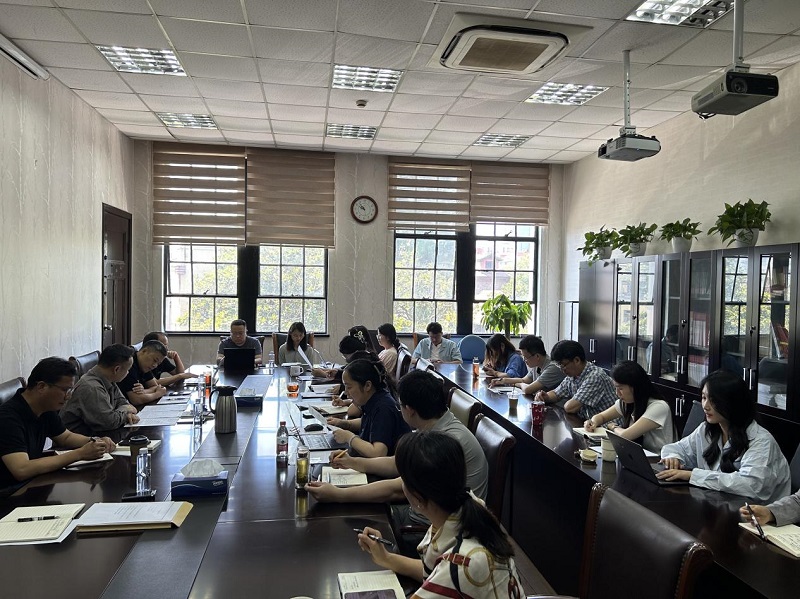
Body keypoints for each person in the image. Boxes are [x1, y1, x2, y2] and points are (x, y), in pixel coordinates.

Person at [306, 370, 488, 532]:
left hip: (434, 529)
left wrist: (338, 495)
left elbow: (397, 490)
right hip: (432, 515)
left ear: (410, 410)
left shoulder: (443, 442)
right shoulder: (436, 424)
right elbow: (396, 463)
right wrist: (353, 462)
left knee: (351, 522)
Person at [353, 431, 524, 598]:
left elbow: (447, 573)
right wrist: (386, 558)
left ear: (418, 498)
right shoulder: (467, 506)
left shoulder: (461, 564)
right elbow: (434, 571)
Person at [658, 370, 790, 502]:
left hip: (754, 512)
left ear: (733, 403)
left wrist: (693, 475)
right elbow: (677, 448)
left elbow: (750, 485)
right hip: (717, 503)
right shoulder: (706, 430)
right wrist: (673, 457)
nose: (705, 406)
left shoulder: (761, 441)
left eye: (713, 400)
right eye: (704, 398)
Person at [0, 357, 116, 490]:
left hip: (33, 483)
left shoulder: (45, 407)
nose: (68, 396)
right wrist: (80, 454)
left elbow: (65, 437)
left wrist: (95, 441)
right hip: (10, 492)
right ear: (41, 386)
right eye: (65, 390)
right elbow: (21, 469)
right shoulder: (7, 418)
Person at [325, 358, 411, 458]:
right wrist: (344, 423)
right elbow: (370, 421)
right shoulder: (376, 398)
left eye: (349, 387)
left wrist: (349, 437)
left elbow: (378, 453)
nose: (345, 392)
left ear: (367, 386)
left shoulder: (383, 407)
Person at [583, 360, 675, 453]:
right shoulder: (627, 402)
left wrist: (613, 427)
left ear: (635, 387)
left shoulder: (659, 407)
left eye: (620, 388)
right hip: (636, 454)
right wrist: (593, 423)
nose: (617, 393)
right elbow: (601, 417)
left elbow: (624, 436)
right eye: (615, 388)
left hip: (659, 458)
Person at [60, 344, 140, 435]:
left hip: (99, 436)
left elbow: (124, 403)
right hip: (78, 441)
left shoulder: (109, 379)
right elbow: (109, 422)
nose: (128, 373)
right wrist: (125, 411)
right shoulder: (91, 388)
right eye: (127, 370)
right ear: (116, 369)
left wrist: (126, 412)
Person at [535, 340, 616, 420]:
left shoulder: (595, 377)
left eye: (563, 365)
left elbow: (570, 408)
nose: (561, 369)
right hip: (590, 422)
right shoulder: (573, 376)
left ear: (577, 360)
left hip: (608, 425)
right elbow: (556, 394)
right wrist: (545, 397)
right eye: (559, 365)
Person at [490, 335, 564, 394]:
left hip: (557, 407)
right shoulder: (537, 365)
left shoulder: (552, 367)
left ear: (537, 356)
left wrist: (518, 384)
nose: (524, 360)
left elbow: (528, 389)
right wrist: (502, 380)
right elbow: (524, 380)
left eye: (526, 357)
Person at [117, 340, 169, 407]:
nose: (155, 365)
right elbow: (136, 399)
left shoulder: (144, 365)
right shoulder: (129, 363)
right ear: (144, 351)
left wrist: (144, 391)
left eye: (158, 364)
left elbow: (155, 386)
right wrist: (158, 394)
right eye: (155, 360)